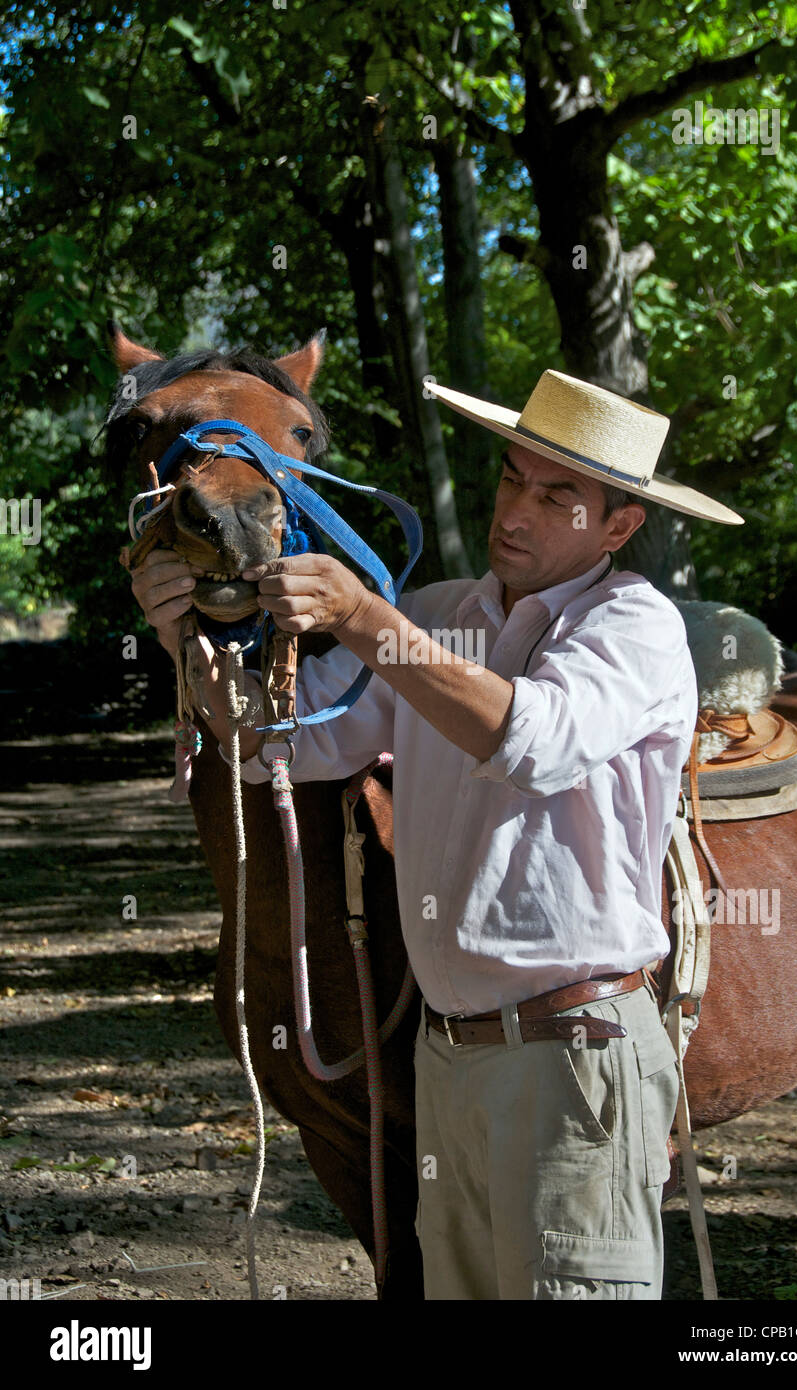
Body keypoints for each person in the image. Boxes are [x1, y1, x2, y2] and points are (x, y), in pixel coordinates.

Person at [131, 368, 742, 1300]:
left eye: (557, 497)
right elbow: (278, 746)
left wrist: (364, 617)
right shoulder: (446, 613)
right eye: (510, 479)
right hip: (447, 1059)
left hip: (575, 1058)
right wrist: (187, 639)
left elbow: (532, 740)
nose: (516, 511)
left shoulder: (634, 624)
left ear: (618, 527)